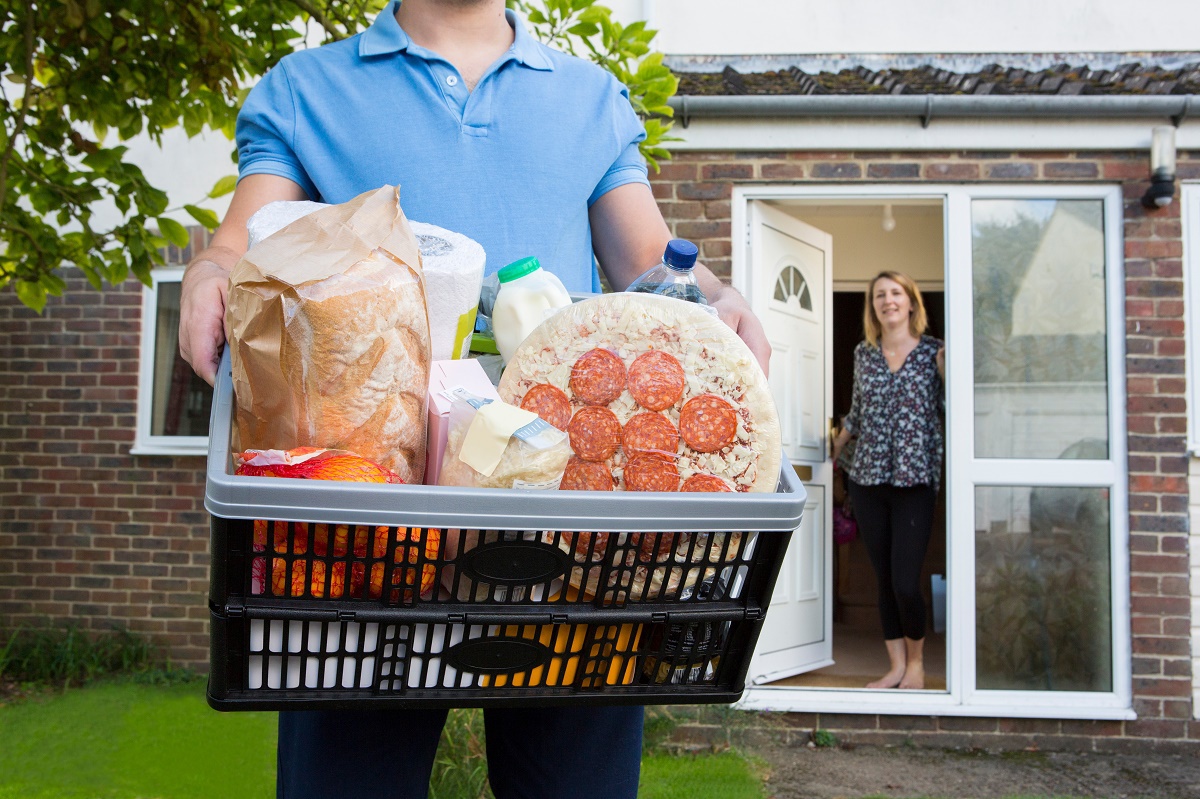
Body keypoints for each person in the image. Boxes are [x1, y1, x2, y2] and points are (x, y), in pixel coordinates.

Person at [176, 2, 770, 797]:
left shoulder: (590, 97)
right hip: (369, 523)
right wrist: (211, 270)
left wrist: (717, 299)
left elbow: (652, 267)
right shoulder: (307, 90)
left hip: (569, 532)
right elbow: (245, 242)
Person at [831, 270, 944, 690]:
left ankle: (917, 664)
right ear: (873, 306)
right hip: (868, 477)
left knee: (904, 580)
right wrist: (835, 451)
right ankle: (895, 666)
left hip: (915, 479)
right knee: (883, 579)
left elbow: (950, 407)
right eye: (880, 295)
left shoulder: (934, 352)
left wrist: (948, 372)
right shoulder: (865, 353)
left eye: (895, 293)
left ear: (911, 302)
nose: (888, 300)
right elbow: (857, 413)